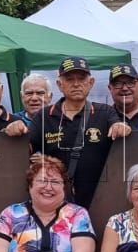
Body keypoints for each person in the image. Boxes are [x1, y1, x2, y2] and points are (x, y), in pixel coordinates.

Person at [30, 58, 130, 209]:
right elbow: (26, 149)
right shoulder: (43, 116)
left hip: (99, 201)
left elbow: (118, 126)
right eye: (69, 79)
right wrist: (16, 130)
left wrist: (121, 126)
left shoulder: (105, 112)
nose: (76, 84)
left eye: (81, 79)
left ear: (91, 83)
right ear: (59, 84)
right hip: (55, 202)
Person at [108, 64, 138, 129]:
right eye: (118, 84)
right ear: (110, 88)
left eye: (130, 83)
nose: (124, 88)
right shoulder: (106, 117)